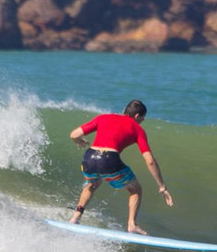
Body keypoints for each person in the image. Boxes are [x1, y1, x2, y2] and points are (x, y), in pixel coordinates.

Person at [68, 99, 173, 234]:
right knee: (136, 189)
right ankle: (132, 225)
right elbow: (150, 161)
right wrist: (162, 186)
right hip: (108, 159)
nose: (143, 120)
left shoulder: (103, 117)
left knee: (92, 184)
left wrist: (80, 141)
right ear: (137, 116)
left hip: (89, 158)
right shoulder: (137, 129)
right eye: (142, 118)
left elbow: (74, 134)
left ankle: (75, 217)